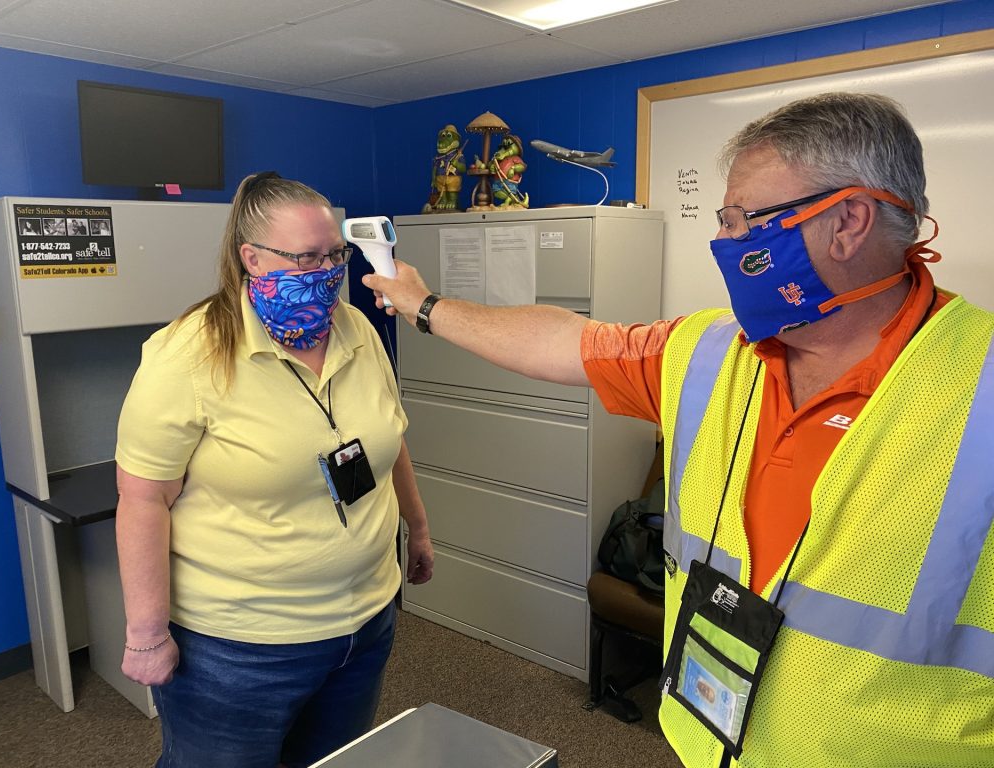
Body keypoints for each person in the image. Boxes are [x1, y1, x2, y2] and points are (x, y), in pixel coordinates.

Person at [364, 93, 994, 767]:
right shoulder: (709, 352)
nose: (722, 240)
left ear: (847, 222)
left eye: (741, 218)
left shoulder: (978, 386)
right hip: (709, 743)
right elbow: (563, 342)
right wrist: (422, 305)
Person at [116, 171, 434, 768]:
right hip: (239, 648)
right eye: (306, 256)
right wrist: (147, 633)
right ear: (251, 258)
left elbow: (391, 442)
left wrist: (415, 530)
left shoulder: (357, 328)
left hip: (364, 623)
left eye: (334, 253)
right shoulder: (187, 353)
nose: (326, 270)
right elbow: (141, 500)